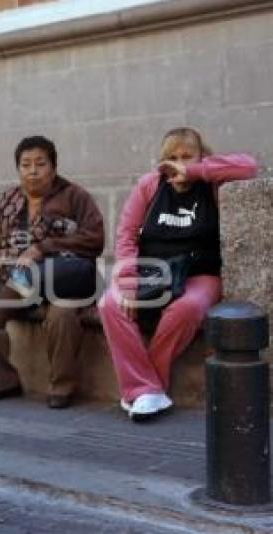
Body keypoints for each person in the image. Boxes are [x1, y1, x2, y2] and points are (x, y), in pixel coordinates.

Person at [98, 127, 257, 421]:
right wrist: (129, 283)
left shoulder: (211, 184)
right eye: (172, 157)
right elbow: (126, 236)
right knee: (109, 304)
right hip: (153, 271)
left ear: (200, 156)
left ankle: (146, 389)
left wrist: (196, 171)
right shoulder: (149, 185)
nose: (178, 162)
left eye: (187, 156)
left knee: (185, 308)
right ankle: (145, 390)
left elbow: (249, 166)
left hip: (199, 274)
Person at [0, 135, 104, 409]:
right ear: (17, 168)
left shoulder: (75, 196)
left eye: (40, 164)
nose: (32, 170)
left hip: (65, 280)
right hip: (18, 281)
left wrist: (42, 248)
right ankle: (2, 380)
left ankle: (62, 386)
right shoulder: (6, 200)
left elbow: (95, 239)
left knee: (62, 315)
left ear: (53, 167)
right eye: (26, 164)